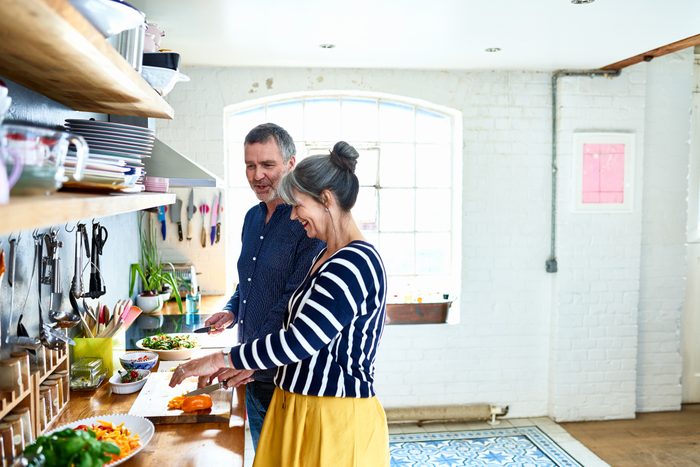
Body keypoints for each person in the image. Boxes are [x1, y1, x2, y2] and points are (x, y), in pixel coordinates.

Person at [171, 141, 390, 467]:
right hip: (302, 409)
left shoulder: (355, 262)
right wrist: (249, 363)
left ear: (326, 199)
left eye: (298, 204)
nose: (294, 214)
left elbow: (300, 340)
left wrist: (222, 357)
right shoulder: (326, 254)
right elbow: (303, 336)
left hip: (331, 418)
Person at [203, 123, 324, 450]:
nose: (257, 175)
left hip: (285, 378)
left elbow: (289, 302)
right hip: (251, 372)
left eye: (268, 165)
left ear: (290, 164)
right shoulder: (251, 218)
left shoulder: (305, 224)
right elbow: (249, 282)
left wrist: (245, 358)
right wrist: (230, 310)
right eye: (250, 165)